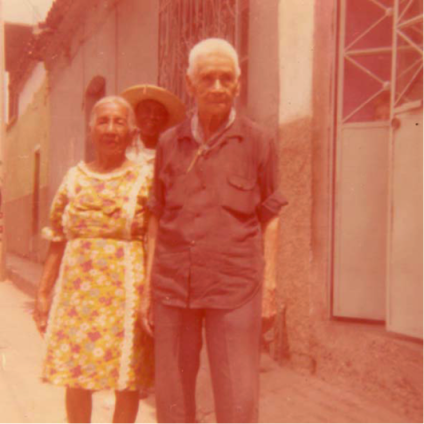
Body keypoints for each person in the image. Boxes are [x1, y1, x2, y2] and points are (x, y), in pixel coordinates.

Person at [140, 38, 287, 424]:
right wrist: (147, 287)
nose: (218, 87)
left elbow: (271, 215)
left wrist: (269, 285)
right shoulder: (170, 144)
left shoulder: (259, 141)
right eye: (208, 78)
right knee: (171, 401)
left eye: (227, 78)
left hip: (235, 286)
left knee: (238, 401)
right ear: (190, 84)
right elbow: (155, 217)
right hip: (173, 285)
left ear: (238, 85)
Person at [33, 96, 154, 424]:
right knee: (77, 376)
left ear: (131, 132)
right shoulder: (74, 179)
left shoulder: (145, 178)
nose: (111, 130)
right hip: (78, 294)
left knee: (126, 378)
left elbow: (155, 237)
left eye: (119, 122)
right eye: (103, 121)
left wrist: (148, 296)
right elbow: (57, 240)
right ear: (91, 130)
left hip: (126, 291)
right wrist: (44, 293)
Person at [121, 84, 185, 172]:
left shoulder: (173, 151)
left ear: (166, 119)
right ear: (135, 114)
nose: (152, 116)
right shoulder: (123, 144)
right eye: (146, 110)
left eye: (159, 112)